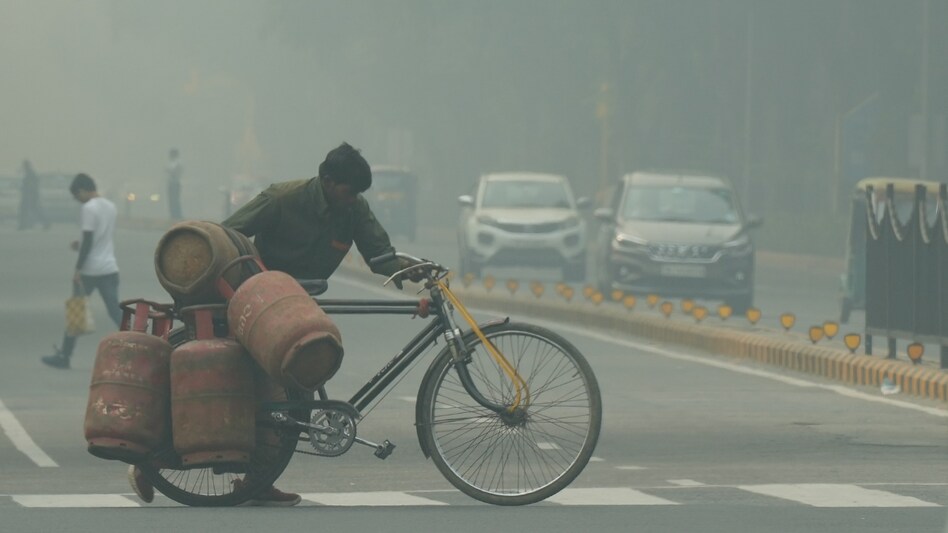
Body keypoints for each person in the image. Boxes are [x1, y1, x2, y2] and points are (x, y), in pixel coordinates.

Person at [128, 142, 423, 507]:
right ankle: (154, 460)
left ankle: (256, 481)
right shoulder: (282, 198)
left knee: (292, 398)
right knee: (247, 394)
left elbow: (380, 256)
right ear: (327, 180)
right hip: (260, 304)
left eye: (358, 194)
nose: (353, 199)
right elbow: (226, 237)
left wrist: (410, 273)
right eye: (349, 191)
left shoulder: (354, 209)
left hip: (301, 307)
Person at [41, 173, 121, 369]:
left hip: (90, 270)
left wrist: (78, 268)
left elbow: (88, 241)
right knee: (116, 312)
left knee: (76, 312)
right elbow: (98, 239)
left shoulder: (88, 208)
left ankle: (64, 356)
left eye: (77, 196)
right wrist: (82, 245)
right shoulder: (110, 206)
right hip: (110, 267)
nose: (77, 200)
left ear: (83, 190)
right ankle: (140, 344)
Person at [17, 159, 49, 230]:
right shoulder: (29, 173)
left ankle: (46, 223)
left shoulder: (31, 174)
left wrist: (27, 192)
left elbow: (32, 186)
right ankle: (22, 225)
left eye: (24, 165)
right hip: (28, 196)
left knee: (33, 210)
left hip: (30, 196)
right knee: (25, 210)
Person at [166, 148, 183, 219]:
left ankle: (177, 215)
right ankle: (172, 215)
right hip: (170, 182)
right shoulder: (169, 162)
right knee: (171, 199)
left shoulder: (178, 162)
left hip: (176, 183)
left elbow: (177, 171)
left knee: (175, 199)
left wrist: (171, 171)